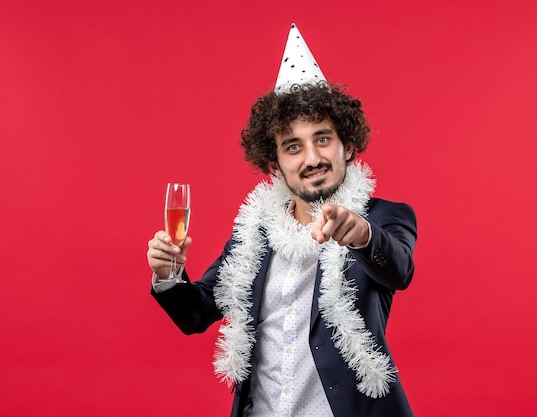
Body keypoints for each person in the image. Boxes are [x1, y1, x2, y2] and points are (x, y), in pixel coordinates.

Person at [146, 23, 417, 417]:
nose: (311, 159)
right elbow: (198, 311)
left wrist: (361, 234)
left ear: (348, 145)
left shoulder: (386, 217)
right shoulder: (254, 234)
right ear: (274, 163)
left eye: (323, 139)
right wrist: (169, 275)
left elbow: (399, 269)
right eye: (294, 147)